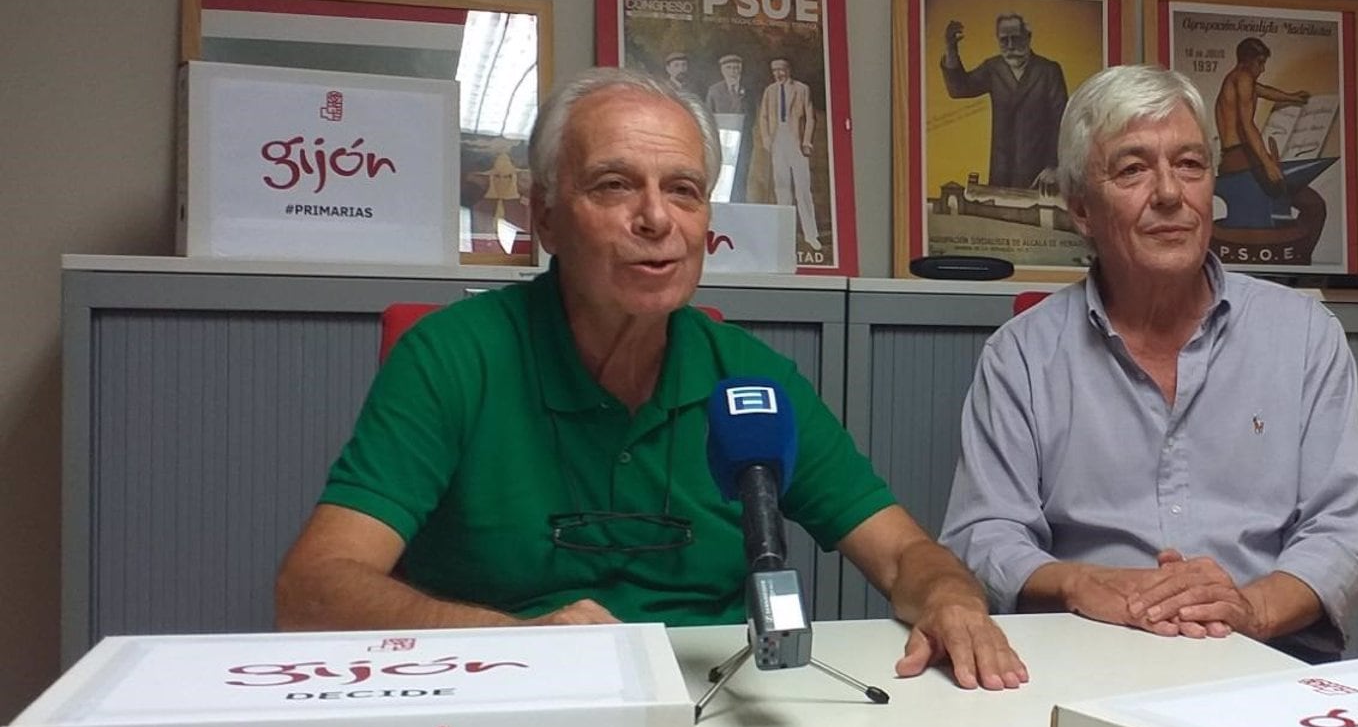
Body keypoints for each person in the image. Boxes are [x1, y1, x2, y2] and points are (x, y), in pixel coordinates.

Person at [277, 67, 1025, 690]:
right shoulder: (452, 357)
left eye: (685, 190)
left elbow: (902, 554)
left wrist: (951, 598)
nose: (655, 218)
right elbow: (314, 588)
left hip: (713, 706)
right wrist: (515, 641)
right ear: (546, 216)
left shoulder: (751, 379)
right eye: (613, 186)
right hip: (499, 695)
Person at [940, 65, 1358, 661]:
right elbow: (983, 533)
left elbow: (1341, 528)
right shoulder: (1022, 355)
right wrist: (1081, 584)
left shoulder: (1304, 337)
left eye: (1190, 165)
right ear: (1081, 210)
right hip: (1089, 655)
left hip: (1265, 654)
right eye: (1133, 169)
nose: (1170, 193)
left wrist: (1253, 608)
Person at [941, 13, 1069, 191]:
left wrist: (1054, 166)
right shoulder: (993, 68)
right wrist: (951, 49)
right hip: (1002, 169)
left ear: (1028, 37)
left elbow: (1062, 120)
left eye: (1015, 39)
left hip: (1039, 174)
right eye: (1004, 40)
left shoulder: (1049, 71)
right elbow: (959, 89)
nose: (1010, 46)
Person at [1213, 36, 1310, 228]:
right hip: (1241, 159)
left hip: (1233, 157)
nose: (1263, 69)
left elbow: (1263, 90)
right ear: (1248, 60)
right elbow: (1247, 125)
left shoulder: (1236, 79)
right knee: (1311, 205)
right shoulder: (1244, 77)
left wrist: (1292, 97)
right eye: (1260, 62)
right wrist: (1268, 165)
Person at [754, 57, 820, 248]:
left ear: (788, 70)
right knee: (781, 187)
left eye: (781, 70)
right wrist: (766, 138)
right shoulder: (770, 90)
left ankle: (810, 235)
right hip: (777, 140)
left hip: (796, 140)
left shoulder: (801, 88)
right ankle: (785, 234)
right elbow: (764, 116)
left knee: (802, 187)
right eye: (775, 71)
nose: (778, 74)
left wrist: (807, 141)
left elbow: (810, 117)